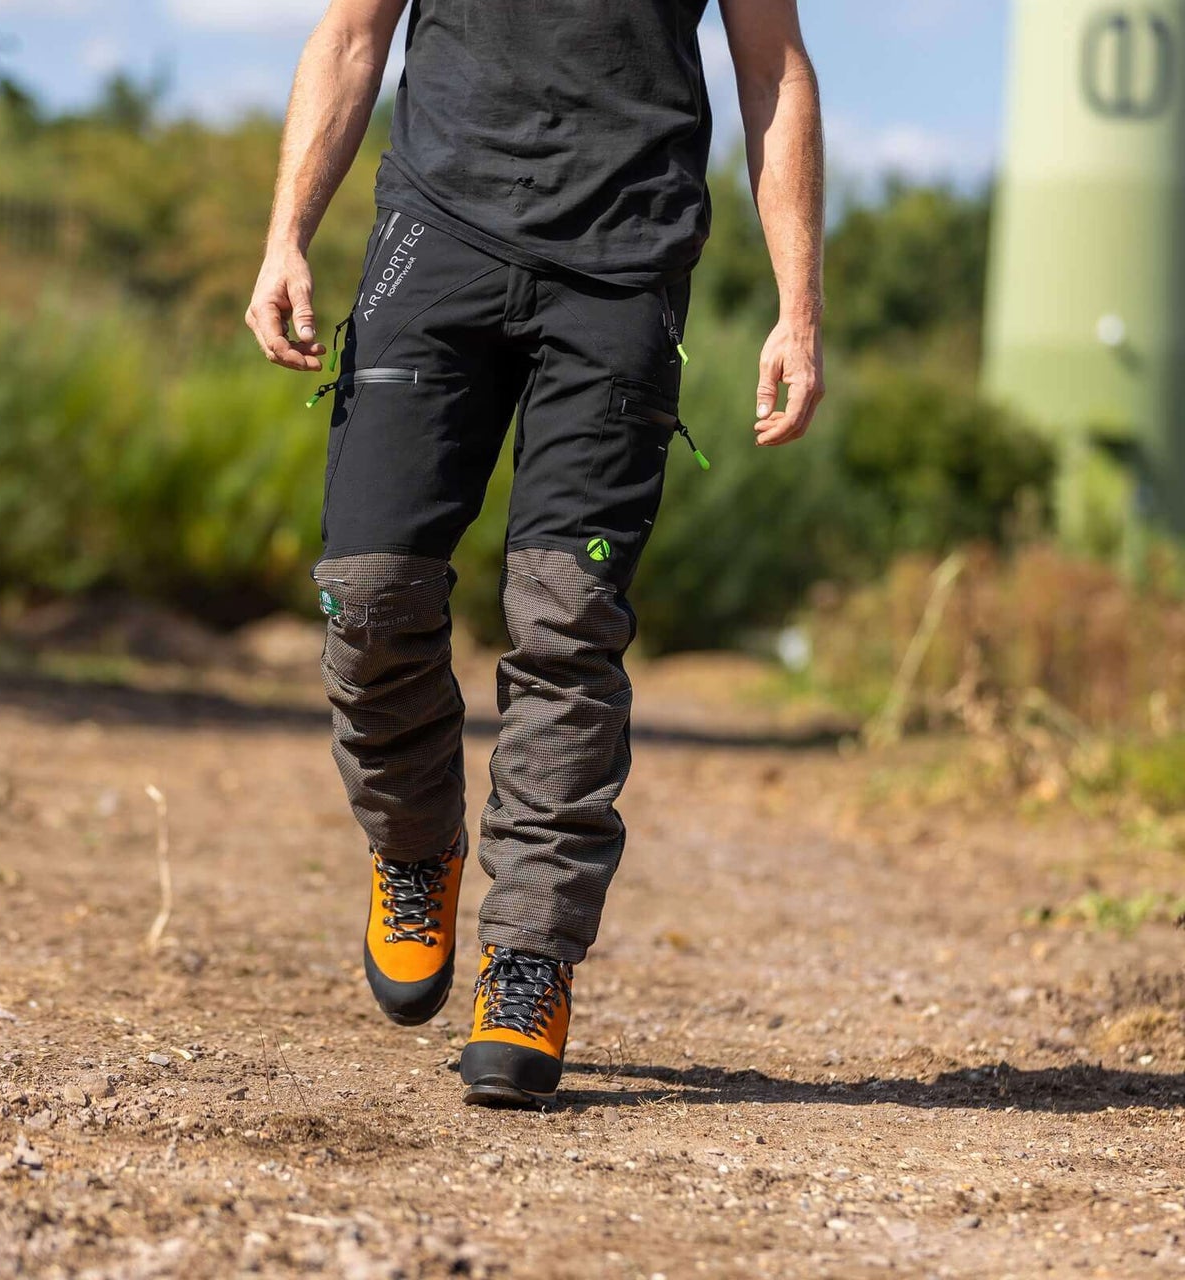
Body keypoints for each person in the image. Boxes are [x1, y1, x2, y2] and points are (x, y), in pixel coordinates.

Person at [246, 0, 825, 1109]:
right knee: (369, 593)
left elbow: (777, 70)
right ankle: (417, 844)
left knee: (566, 618)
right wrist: (287, 233)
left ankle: (527, 962)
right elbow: (352, 33)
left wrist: (798, 307)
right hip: (438, 233)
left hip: (623, 265)